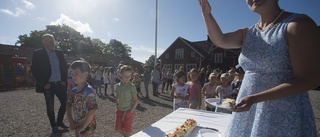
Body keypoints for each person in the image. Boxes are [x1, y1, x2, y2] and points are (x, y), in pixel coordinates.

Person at [198, 0, 320, 136]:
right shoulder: (248, 33)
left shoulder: (298, 24)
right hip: (247, 110)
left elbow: (310, 79)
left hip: (281, 112)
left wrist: (255, 98)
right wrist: (206, 14)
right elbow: (220, 40)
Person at [31, 34, 68, 135]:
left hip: (60, 84)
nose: (50, 42)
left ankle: (59, 121)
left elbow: (64, 67)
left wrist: (64, 79)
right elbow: (34, 69)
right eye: (47, 40)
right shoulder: (38, 53)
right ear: (43, 42)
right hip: (48, 85)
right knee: (50, 107)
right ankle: (54, 126)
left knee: (66, 103)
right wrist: (43, 83)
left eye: (51, 40)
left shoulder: (59, 53)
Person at [66, 60, 98, 137]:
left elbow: (92, 110)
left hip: (88, 126)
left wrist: (83, 127)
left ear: (86, 74)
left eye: (76, 73)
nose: (73, 76)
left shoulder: (89, 91)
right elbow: (68, 105)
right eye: (72, 73)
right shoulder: (73, 91)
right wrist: (71, 121)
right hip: (78, 124)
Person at [114, 65, 139, 137]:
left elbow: (136, 101)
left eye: (129, 76)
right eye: (125, 76)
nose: (128, 78)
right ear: (120, 75)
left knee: (128, 130)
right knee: (118, 129)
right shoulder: (117, 86)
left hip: (128, 111)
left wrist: (130, 111)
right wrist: (116, 107)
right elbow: (117, 97)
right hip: (119, 111)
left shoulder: (131, 86)